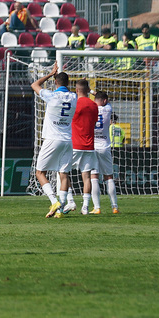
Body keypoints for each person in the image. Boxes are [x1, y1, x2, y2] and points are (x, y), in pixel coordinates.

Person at [31, 67, 76, 218]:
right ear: (68, 83)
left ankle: (53, 201)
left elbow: (34, 85)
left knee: (39, 172)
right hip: (68, 141)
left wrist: (49, 74)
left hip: (52, 139)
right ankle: (60, 209)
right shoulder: (74, 97)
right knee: (63, 174)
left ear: (55, 82)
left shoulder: (51, 96)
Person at [69, 80, 99, 216]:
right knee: (86, 177)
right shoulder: (94, 105)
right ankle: (86, 207)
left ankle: (70, 200)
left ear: (76, 90)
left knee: (62, 171)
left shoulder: (74, 104)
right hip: (89, 145)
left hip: (75, 144)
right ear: (87, 90)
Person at [88, 89, 120, 214]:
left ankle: (97, 207)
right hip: (105, 146)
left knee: (94, 177)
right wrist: (93, 91)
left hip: (92, 146)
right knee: (108, 177)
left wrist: (87, 89)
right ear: (105, 101)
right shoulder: (108, 109)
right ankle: (115, 206)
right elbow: (102, 99)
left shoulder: (91, 109)